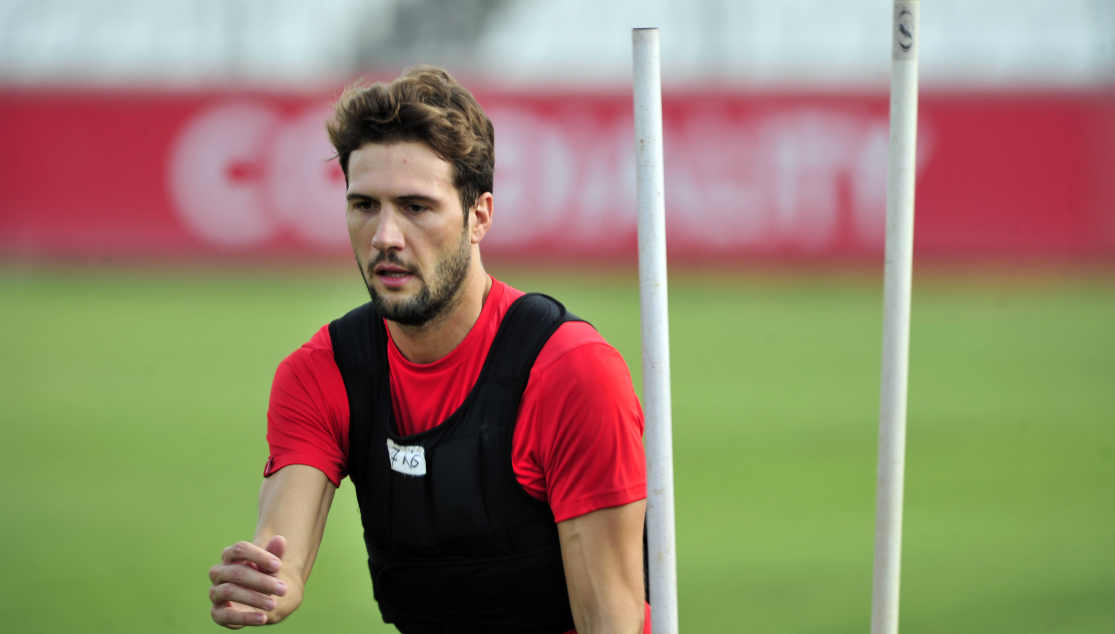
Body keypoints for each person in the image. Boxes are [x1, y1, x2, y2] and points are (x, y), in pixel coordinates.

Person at [207, 66, 649, 634]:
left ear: (479, 216)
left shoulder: (571, 374)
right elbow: (280, 558)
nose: (386, 237)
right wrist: (266, 584)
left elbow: (609, 624)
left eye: (416, 207)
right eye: (364, 205)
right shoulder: (323, 374)